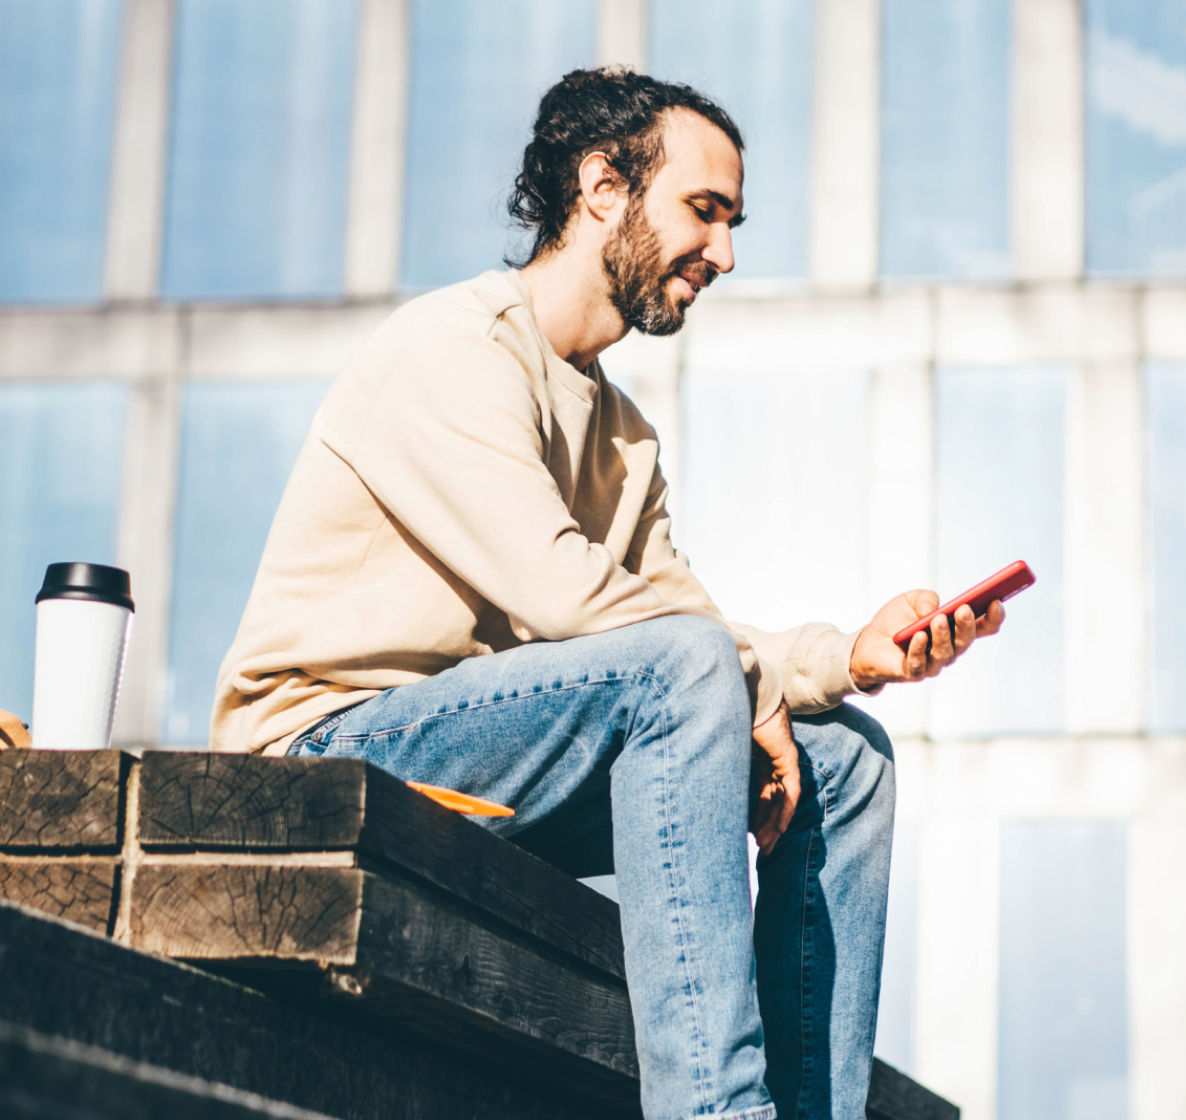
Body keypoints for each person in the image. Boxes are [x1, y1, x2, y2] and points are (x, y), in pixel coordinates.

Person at [211, 67, 1003, 1120]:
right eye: (703, 211)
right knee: (683, 672)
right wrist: (739, 683)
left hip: (501, 762)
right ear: (601, 188)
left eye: (731, 222)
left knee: (846, 759)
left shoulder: (621, 433)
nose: (722, 252)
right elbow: (572, 599)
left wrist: (847, 656)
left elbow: (686, 629)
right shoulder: (450, 350)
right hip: (327, 747)